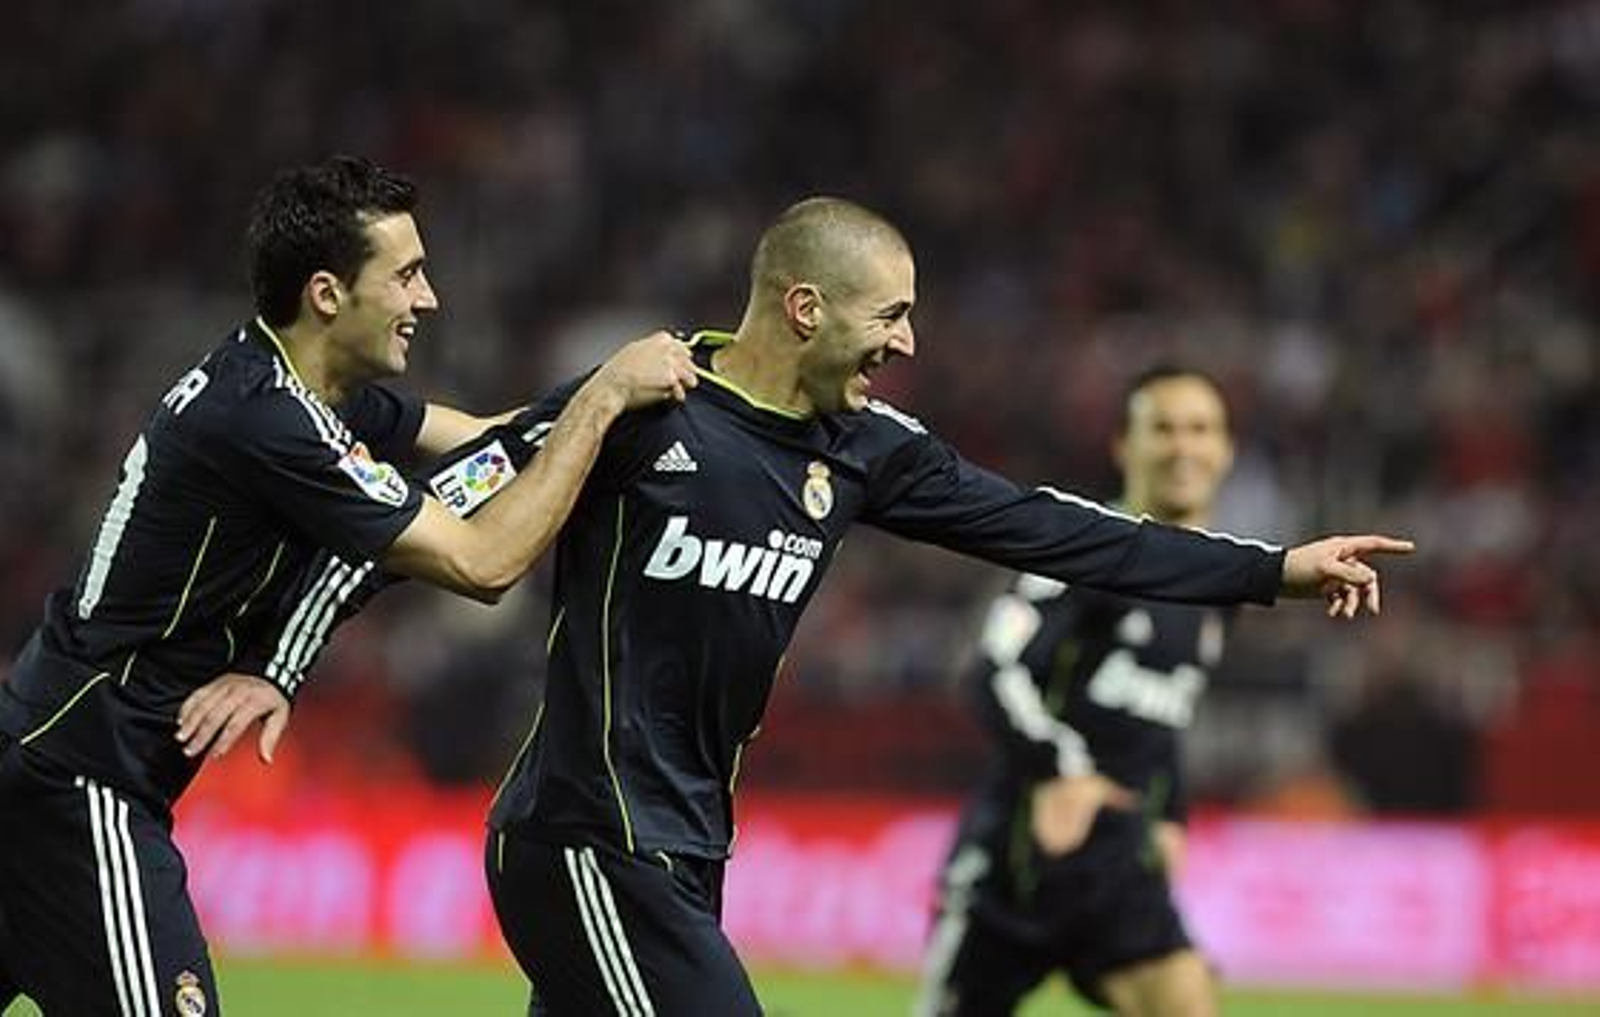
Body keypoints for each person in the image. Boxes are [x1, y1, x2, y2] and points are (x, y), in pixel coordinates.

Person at [384, 196, 1410, 1015]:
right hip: (586, 836)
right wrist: (271, 661)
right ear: (805, 309)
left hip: (690, 847)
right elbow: (430, 512)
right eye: (890, 315)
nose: (908, 342)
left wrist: (1270, 570)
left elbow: (1061, 528)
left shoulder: (868, 451)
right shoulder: (642, 402)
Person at [0, 155, 696, 1016]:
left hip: (44, 753)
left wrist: (637, 405)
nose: (427, 298)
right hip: (78, 787)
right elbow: (483, 562)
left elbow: (486, 443)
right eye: (404, 275)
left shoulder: (300, 392)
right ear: (328, 294)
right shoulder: (268, 422)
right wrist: (604, 399)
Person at [917, 365, 1247, 1017]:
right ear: (1125, 446)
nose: (1184, 446)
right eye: (1164, 428)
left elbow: (1170, 713)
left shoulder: (1218, 582)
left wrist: (1174, 815)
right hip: (1018, 856)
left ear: (1227, 449)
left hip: (1118, 861)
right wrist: (1061, 768)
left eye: (1201, 429)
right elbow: (992, 668)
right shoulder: (1083, 547)